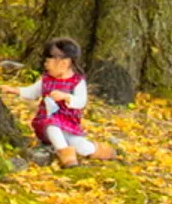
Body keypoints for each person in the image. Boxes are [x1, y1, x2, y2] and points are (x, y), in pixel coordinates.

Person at [14, 37, 115, 168]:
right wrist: (14, 90)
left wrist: (66, 97)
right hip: (47, 120)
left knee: (79, 145)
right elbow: (32, 92)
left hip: (69, 123)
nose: (45, 64)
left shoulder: (77, 82)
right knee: (52, 126)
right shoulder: (46, 80)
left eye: (49, 61)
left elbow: (81, 101)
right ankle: (65, 155)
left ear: (64, 63)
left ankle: (96, 150)